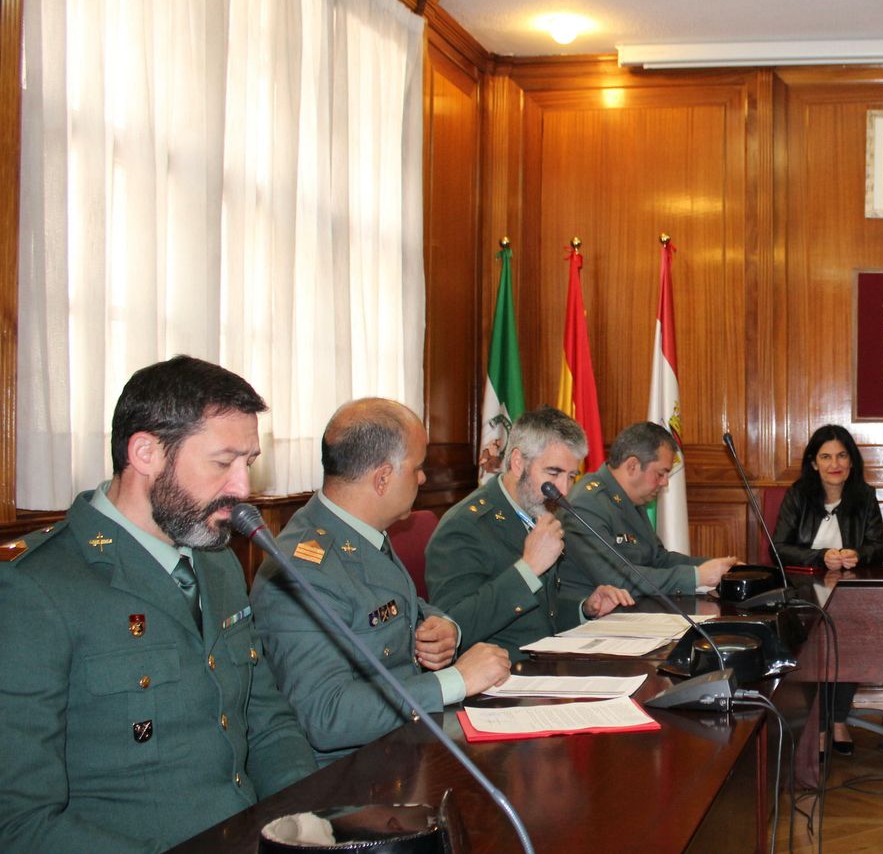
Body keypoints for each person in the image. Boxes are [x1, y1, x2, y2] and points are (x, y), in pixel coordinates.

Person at [0, 356, 316, 851]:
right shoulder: (36, 589)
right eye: (222, 463)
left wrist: (302, 822)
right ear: (145, 452)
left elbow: (266, 717)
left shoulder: (216, 563)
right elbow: (19, 823)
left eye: (247, 464)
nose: (242, 490)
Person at [250, 399, 510, 766]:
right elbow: (327, 715)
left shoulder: (360, 531)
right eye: (418, 468)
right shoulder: (301, 571)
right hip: (358, 774)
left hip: (407, 744)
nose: (422, 479)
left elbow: (397, 605)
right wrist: (454, 681)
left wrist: (441, 626)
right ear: (383, 477)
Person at [427, 406, 633, 658]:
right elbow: (453, 629)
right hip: (501, 675)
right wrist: (528, 568)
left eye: (571, 476)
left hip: (544, 663)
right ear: (517, 462)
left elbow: (540, 614)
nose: (564, 489)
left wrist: (585, 609)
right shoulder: (465, 526)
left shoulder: (536, 511)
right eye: (553, 473)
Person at [772, 425, 883, 755]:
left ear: (851, 462)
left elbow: (879, 547)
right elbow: (778, 548)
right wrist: (819, 557)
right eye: (825, 456)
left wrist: (859, 554)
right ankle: (819, 724)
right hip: (803, 594)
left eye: (841, 455)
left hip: (850, 594)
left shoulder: (864, 497)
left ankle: (837, 720)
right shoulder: (798, 496)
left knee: (848, 642)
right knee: (814, 648)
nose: (834, 463)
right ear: (813, 463)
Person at [559, 421, 739, 599]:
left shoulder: (631, 498)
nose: (665, 482)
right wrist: (697, 576)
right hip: (588, 622)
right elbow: (615, 579)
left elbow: (658, 559)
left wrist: (717, 568)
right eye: (661, 474)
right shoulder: (586, 503)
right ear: (632, 466)